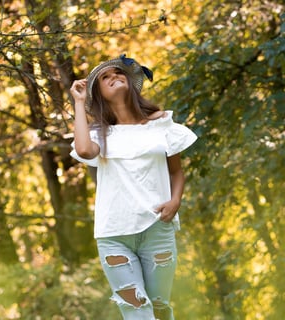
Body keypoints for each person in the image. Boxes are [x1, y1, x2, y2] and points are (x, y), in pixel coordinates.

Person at [69, 54, 197, 320]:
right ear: (100, 94)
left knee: (160, 308)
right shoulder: (99, 135)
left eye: (118, 73)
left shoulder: (160, 124)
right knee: (137, 311)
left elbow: (176, 171)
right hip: (114, 236)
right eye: (105, 77)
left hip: (157, 230)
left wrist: (175, 201)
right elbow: (83, 150)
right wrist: (80, 102)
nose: (114, 76)